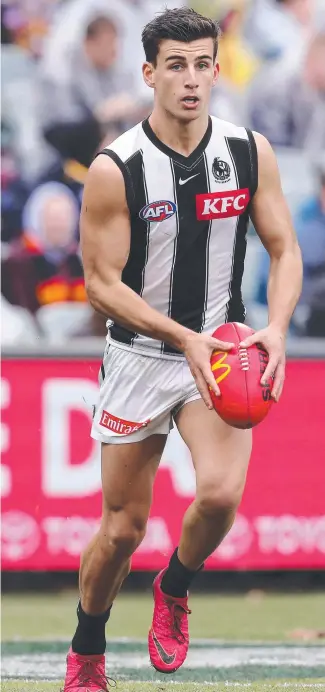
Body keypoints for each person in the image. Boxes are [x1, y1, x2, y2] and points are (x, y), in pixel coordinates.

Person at [63, 7, 303, 690]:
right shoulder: (117, 168)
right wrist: (180, 338)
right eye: (176, 65)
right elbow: (100, 286)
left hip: (223, 351)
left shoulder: (248, 150)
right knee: (120, 530)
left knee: (222, 497)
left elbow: (284, 251)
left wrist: (277, 327)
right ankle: (87, 650)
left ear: (216, 68)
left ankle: (173, 589)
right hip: (142, 354)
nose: (191, 79)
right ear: (149, 73)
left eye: (202, 63)